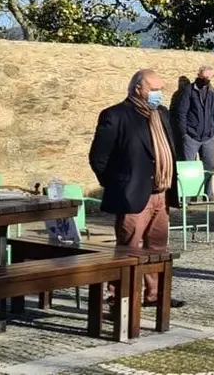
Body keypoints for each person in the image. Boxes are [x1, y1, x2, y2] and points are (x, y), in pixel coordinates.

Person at [88, 69, 185, 309]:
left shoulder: (161, 114)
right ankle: (119, 298)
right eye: (154, 89)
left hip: (161, 194)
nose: (158, 94)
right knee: (129, 248)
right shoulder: (116, 115)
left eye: (161, 89)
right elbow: (99, 158)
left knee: (157, 248)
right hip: (133, 195)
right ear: (138, 89)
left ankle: (154, 295)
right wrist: (118, 185)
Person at [176, 65, 214, 200]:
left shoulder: (213, 92)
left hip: (208, 136)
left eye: (209, 77)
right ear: (199, 75)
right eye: (204, 76)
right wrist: (184, 132)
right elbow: (181, 113)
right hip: (191, 136)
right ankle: (188, 197)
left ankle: (207, 194)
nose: (206, 79)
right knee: (189, 167)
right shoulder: (188, 91)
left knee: (209, 166)